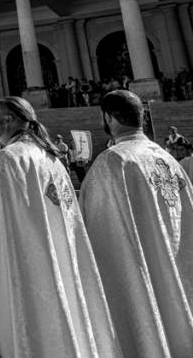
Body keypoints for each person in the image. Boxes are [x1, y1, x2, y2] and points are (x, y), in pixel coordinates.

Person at [0, 96, 118, 357]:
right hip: (59, 256)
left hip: (28, 265)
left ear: (9, 120)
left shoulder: (7, 160)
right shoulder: (51, 158)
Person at [80, 90, 193, 356]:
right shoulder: (168, 158)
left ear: (108, 117)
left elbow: (97, 229)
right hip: (176, 267)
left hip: (141, 275)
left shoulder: (113, 160)